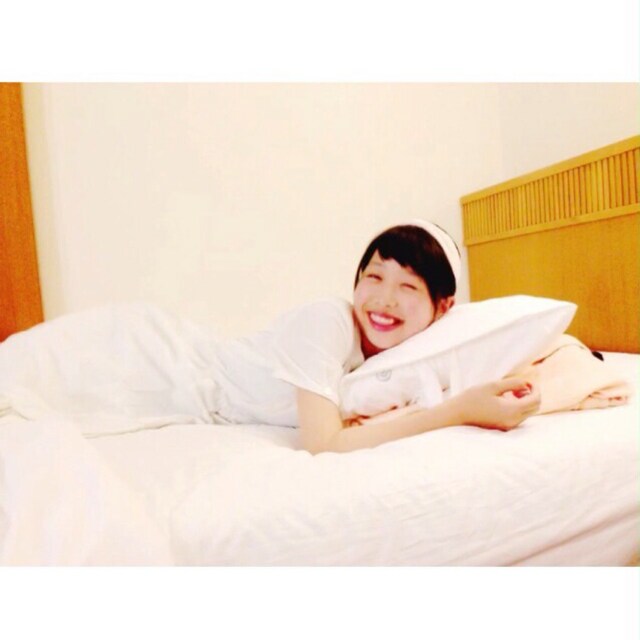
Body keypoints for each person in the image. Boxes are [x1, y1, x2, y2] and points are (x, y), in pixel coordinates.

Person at [205, 220, 540, 454]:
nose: (384, 299)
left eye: (407, 286)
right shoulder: (327, 320)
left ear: (443, 306)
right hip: (189, 377)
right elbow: (324, 444)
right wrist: (459, 411)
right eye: (375, 277)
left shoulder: (404, 357)